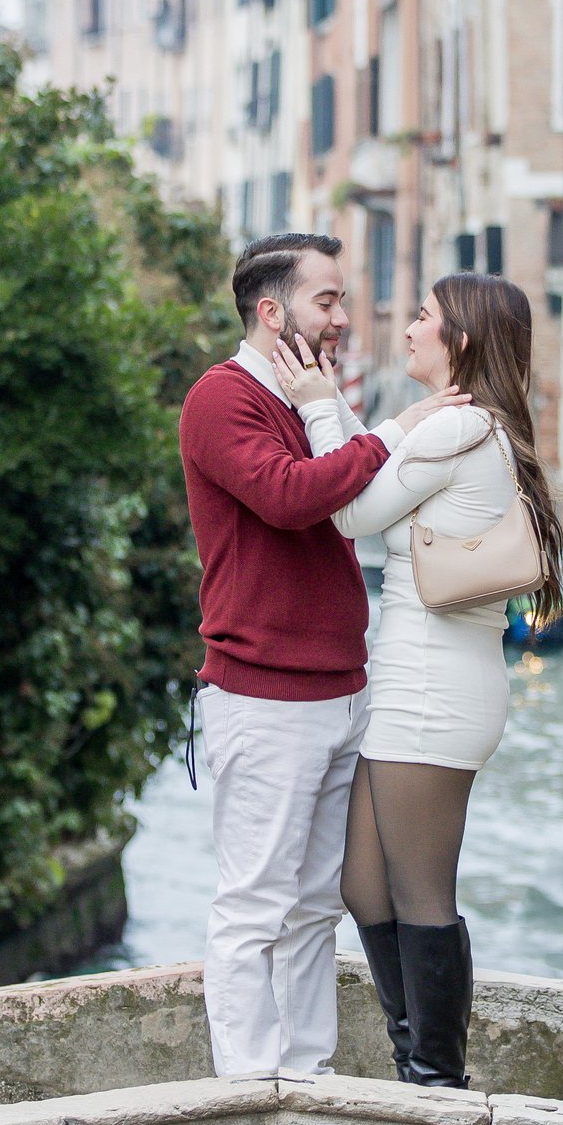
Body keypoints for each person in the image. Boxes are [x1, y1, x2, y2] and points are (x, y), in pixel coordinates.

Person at [178, 233, 463, 1081]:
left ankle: (303, 1075)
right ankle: (247, 1086)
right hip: (263, 696)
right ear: (274, 312)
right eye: (327, 301)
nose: (343, 318)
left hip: (341, 688)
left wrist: (333, 414)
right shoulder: (219, 400)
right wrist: (399, 426)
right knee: (254, 904)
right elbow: (294, 499)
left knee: (311, 907)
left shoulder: (310, 399)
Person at [271, 273, 563, 1089]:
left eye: (425, 317)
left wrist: (321, 406)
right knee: (364, 884)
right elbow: (378, 470)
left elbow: (351, 512)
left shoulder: (462, 428)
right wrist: (364, 417)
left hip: (435, 691)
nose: (408, 329)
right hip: (413, 683)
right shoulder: (451, 426)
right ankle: (415, 1056)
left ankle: (437, 1079)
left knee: (422, 892)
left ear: (461, 339)